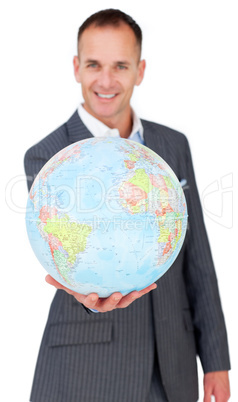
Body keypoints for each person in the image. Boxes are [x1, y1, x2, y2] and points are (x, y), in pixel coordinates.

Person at [24, 9, 231, 402]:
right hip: (89, 369)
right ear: (76, 68)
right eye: (93, 64)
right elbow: (66, 254)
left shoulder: (172, 146)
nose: (106, 80)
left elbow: (197, 256)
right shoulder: (48, 157)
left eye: (120, 65)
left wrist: (216, 359)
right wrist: (89, 300)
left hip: (175, 362)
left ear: (140, 70)